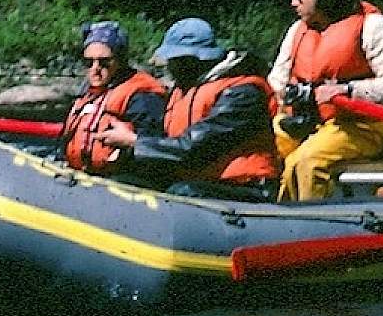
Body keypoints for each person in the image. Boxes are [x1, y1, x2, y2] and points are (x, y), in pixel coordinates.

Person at [267, 0, 383, 201]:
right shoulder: (298, 30)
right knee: (261, 143)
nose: (293, 3)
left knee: (306, 162)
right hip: (306, 122)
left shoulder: (373, 26)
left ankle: (310, 228)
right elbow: (276, 82)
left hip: (358, 127)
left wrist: (348, 90)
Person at [96, 18, 280, 198]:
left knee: (183, 191)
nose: (170, 66)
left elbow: (193, 147)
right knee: (124, 182)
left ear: (194, 59)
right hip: (200, 181)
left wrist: (133, 141)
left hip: (247, 186)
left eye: (176, 60)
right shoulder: (182, 90)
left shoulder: (243, 94)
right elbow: (162, 139)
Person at [60, 20, 167, 174]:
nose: (95, 69)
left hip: (126, 179)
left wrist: (128, 147)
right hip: (85, 175)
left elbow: (151, 152)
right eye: (88, 62)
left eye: (104, 62)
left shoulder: (142, 96)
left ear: (120, 60)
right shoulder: (87, 93)